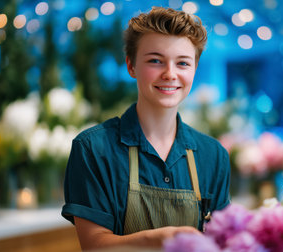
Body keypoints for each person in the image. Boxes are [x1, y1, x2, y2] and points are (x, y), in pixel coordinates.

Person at [61, 6, 231, 250]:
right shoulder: (92, 149)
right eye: (155, 60)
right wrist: (159, 240)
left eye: (183, 63)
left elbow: (222, 241)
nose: (170, 74)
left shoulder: (214, 155)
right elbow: (94, 246)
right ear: (131, 66)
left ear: (194, 69)